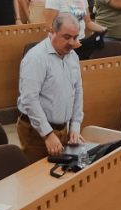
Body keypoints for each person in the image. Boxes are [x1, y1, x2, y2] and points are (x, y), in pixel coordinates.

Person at [17, 12, 85, 162]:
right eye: (66, 37)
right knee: (36, 175)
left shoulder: (73, 57)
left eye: (75, 37)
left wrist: (75, 126)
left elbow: (78, 92)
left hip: (63, 129)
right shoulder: (36, 58)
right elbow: (30, 99)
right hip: (36, 131)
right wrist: (47, 134)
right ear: (52, 32)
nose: (72, 42)